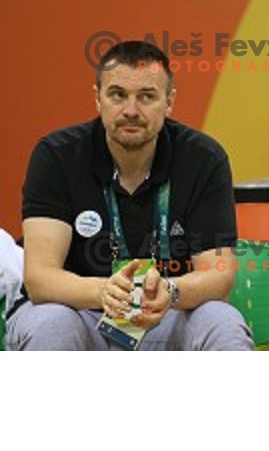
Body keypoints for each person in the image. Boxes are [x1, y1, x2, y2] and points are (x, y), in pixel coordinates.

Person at [7, 41, 254, 350]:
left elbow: (219, 274)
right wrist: (103, 292)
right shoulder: (57, 156)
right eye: (117, 95)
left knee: (221, 320)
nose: (131, 111)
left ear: (169, 101)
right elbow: (40, 278)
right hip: (81, 315)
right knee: (51, 322)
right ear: (98, 99)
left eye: (147, 97)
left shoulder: (204, 158)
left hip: (165, 316)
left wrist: (170, 291)